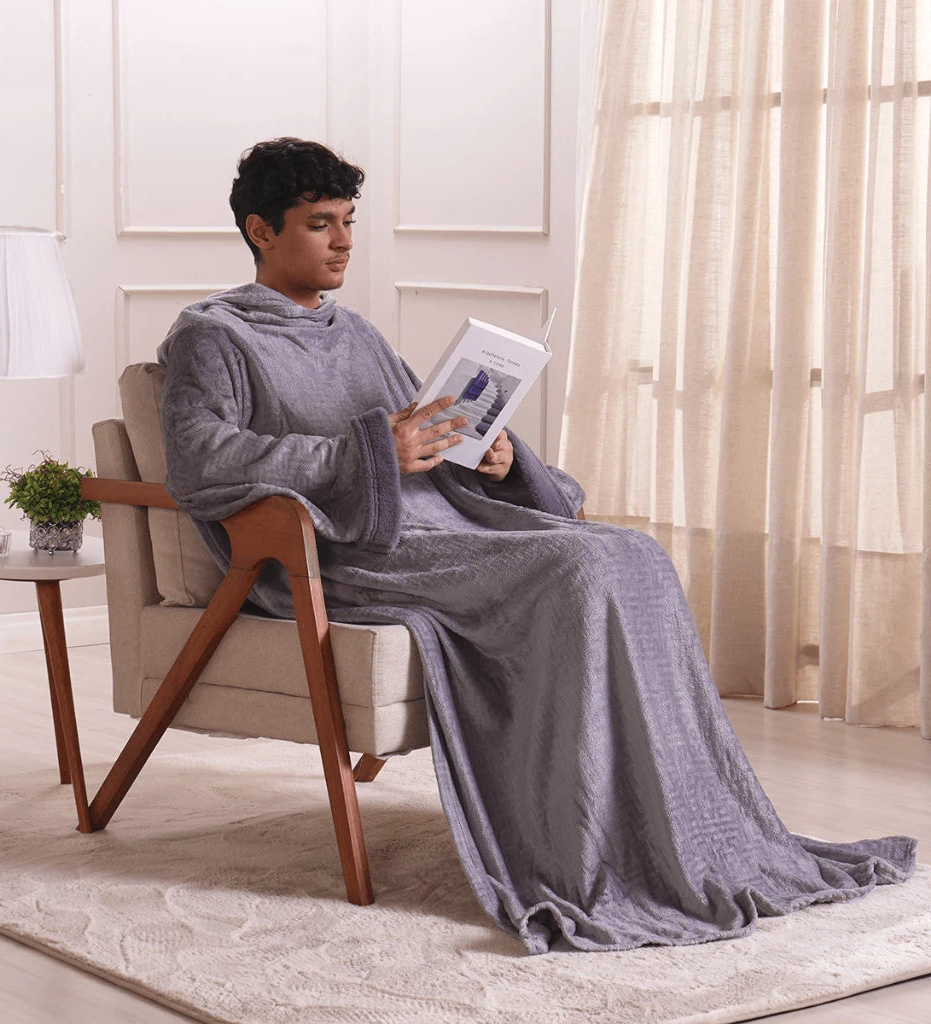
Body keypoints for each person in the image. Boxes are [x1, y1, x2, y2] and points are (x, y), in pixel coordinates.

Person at [157, 137, 915, 955]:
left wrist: (493, 455)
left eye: (349, 222)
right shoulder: (212, 335)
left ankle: (685, 833)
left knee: (633, 553)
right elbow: (202, 459)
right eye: (320, 224)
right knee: (579, 567)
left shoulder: (357, 332)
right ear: (262, 231)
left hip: (444, 524)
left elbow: (419, 432)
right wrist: (369, 449)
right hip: (344, 552)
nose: (343, 241)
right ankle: (586, 851)